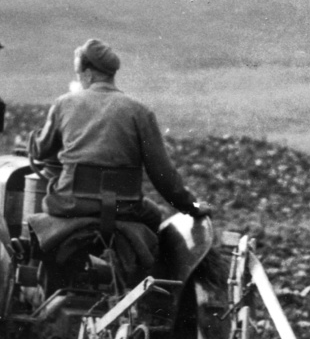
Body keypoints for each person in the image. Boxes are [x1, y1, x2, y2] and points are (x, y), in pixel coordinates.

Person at [29, 38, 204, 225]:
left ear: (88, 74)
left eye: (78, 74)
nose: (78, 79)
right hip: (124, 208)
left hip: (71, 205)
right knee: (154, 215)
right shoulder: (139, 111)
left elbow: (40, 151)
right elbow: (162, 174)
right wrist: (191, 206)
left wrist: (37, 134)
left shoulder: (64, 103)